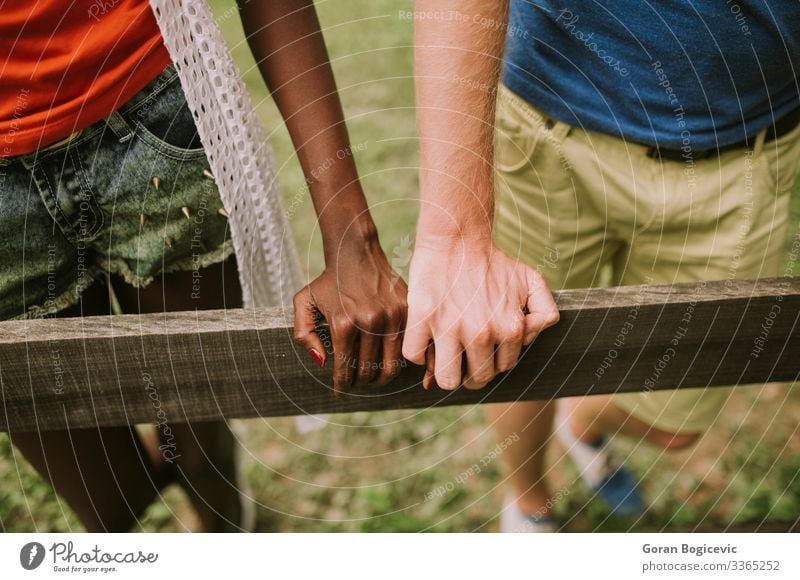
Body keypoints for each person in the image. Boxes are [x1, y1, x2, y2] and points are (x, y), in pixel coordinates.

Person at [0, 0, 406, 532]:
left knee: (203, 443)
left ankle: (226, 529)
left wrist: (353, 235)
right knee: (108, 500)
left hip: (153, 123)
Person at [403, 0, 800, 531]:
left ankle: (582, 417)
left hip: (747, 148)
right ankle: (529, 503)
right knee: (515, 358)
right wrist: (454, 234)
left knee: (677, 422)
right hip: (548, 125)